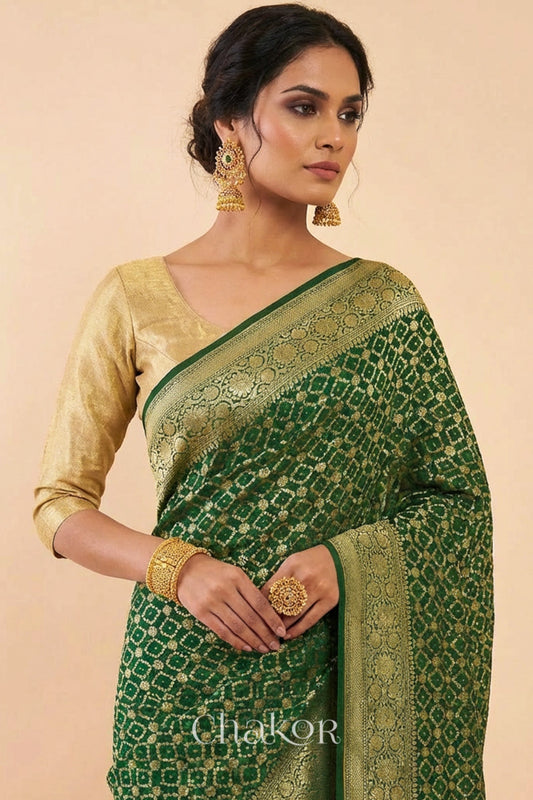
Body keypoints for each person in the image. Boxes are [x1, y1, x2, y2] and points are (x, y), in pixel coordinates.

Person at [33, 4, 494, 799]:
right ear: (229, 121)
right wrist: (177, 568)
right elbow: (59, 506)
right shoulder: (135, 298)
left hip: (340, 676)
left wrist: (346, 563)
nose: (333, 137)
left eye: (349, 114)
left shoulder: (381, 304)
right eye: (303, 106)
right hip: (185, 684)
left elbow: (453, 499)